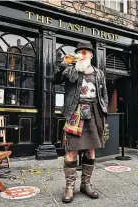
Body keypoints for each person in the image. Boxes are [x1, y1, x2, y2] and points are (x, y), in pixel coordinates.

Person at [52, 42, 108, 203]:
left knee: (91, 150)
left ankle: (86, 184)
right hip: (76, 113)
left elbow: (104, 93)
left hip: (95, 112)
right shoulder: (71, 70)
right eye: (79, 52)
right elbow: (54, 80)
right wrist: (62, 65)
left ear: (91, 55)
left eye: (85, 52)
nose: (82, 55)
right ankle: (69, 187)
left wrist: (104, 111)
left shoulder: (99, 73)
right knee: (71, 151)